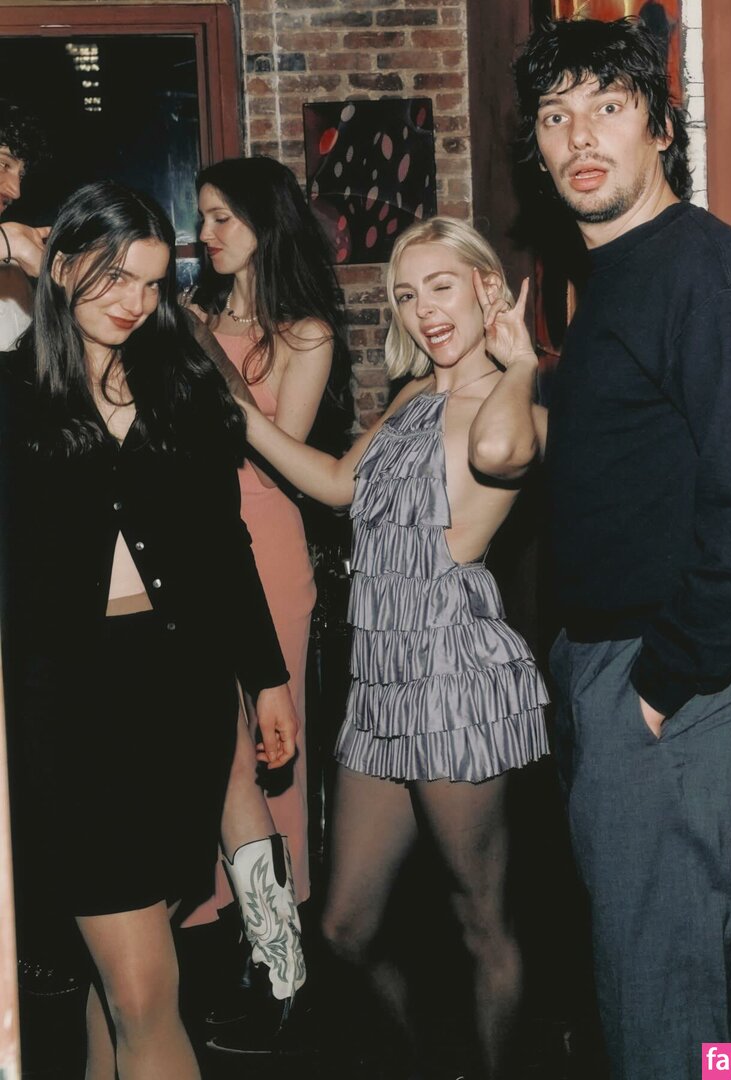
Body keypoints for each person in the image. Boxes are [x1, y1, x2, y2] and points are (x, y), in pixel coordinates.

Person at [497, 16, 731, 1079]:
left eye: (610, 106)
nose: (581, 135)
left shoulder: (709, 276)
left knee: (659, 1017)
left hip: (680, 682)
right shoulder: (618, 277)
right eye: (556, 116)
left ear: (663, 129)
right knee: (694, 1001)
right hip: (631, 671)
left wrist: (658, 688)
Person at [235, 215, 550, 1078]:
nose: (422, 311)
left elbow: (501, 452)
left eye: (441, 287)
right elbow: (338, 484)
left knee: (481, 919)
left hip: (453, 674)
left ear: (488, 288)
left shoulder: (516, 406)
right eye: (406, 296)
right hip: (380, 677)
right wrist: (238, 411)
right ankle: (428, 1059)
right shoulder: (413, 397)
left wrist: (520, 361)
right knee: (345, 927)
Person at [0, 179, 298, 1078]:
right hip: (63, 708)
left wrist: (266, 678)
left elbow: (226, 548)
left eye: (151, 282)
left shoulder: (182, 385)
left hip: (182, 697)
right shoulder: (12, 394)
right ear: (60, 269)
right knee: (142, 990)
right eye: (113, 277)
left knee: (119, 989)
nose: (134, 301)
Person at [181, 155, 348, 1024]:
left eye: (221, 218)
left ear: (262, 221)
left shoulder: (304, 333)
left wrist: (198, 345)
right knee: (209, 740)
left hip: (267, 542)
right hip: (193, 544)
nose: (205, 234)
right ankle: (226, 926)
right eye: (202, 217)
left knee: (270, 741)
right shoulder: (195, 312)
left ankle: (279, 957)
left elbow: (275, 440)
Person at [0, 98, 50, 349]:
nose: (15, 191)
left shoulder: (14, 271)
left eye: (20, 175)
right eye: (3, 164)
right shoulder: (10, 245)